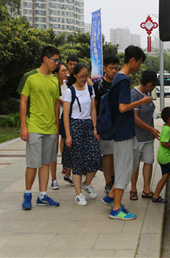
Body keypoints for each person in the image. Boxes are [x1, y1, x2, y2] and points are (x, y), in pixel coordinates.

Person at [101, 45, 152, 220]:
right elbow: (122, 107)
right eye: (139, 63)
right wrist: (142, 101)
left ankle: (111, 197)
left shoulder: (119, 78)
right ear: (132, 60)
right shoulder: (122, 80)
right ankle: (116, 209)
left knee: (131, 165)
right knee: (123, 168)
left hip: (126, 131)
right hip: (122, 132)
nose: (139, 67)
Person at [18, 46, 61, 210]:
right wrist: (24, 126)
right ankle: (27, 194)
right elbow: (23, 101)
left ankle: (42, 195)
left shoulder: (55, 79)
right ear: (45, 58)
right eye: (54, 60)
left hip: (50, 128)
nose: (56, 63)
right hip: (34, 126)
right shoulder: (29, 77)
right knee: (32, 163)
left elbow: (56, 103)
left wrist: (56, 126)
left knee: (45, 162)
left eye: (57, 60)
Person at [62, 63, 102, 206]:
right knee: (77, 161)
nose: (84, 79)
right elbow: (66, 114)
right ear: (74, 75)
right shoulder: (69, 91)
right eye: (81, 77)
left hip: (88, 126)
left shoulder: (90, 89)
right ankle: (78, 194)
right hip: (75, 126)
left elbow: (93, 110)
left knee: (96, 157)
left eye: (86, 76)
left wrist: (95, 127)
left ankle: (87, 183)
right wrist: (68, 134)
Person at [129, 70, 161, 200]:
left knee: (148, 161)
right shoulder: (134, 94)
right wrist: (151, 129)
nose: (152, 87)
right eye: (151, 84)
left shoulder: (148, 94)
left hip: (148, 137)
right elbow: (135, 118)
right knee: (135, 163)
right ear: (144, 82)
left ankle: (146, 189)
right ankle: (133, 188)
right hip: (137, 136)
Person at [93, 55, 119, 193]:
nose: (114, 71)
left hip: (119, 124)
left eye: (116, 68)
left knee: (116, 153)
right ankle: (108, 182)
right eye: (111, 68)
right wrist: (95, 126)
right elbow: (94, 106)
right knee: (108, 154)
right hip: (105, 124)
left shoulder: (119, 82)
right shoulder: (99, 85)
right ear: (104, 68)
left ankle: (115, 180)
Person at [152, 107, 170, 204]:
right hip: (166, 157)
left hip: (162, 157)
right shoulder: (167, 130)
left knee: (165, 176)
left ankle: (155, 196)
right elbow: (163, 143)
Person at [50, 62, 68, 190]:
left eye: (65, 70)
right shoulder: (51, 85)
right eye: (62, 71)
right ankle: (53, 179)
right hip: (53, 118)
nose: (65, 73)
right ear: (56, 73)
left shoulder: (68, 85)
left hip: (65, 117)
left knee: (65, 142)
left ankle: (66, 167)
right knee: (53, 148)